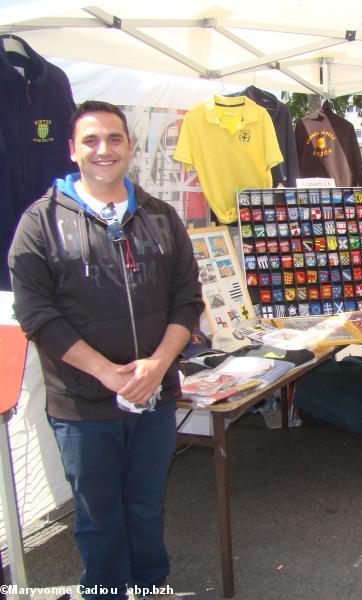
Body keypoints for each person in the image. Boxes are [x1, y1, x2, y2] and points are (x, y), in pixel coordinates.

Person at [8, 100, 204, 600]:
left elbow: (187, 300)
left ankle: (149, 590)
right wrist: (109, 374)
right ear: (72, 150)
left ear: (130, 148)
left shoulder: (160, 217)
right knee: (99, 519)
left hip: (154, 398)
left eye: (114, 139)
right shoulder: (40, 223)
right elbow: (37, 315)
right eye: (91, 140)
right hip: (81, 405)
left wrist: (158, 366)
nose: (104, 150)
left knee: (146, 508)